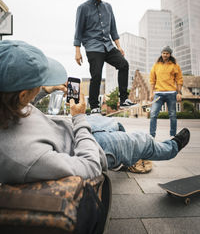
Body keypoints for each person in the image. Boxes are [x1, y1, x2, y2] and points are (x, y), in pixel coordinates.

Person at [0, 40, 190, 185]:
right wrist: (79, 118)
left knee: (113, 124)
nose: (43, 82)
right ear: (23, 94)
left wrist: (46, 90)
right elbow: (89, 167)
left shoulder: (8, 102)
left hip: (70, 130)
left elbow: (21, 103)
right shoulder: (25, 155)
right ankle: (169, 149)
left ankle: (124, 156)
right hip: (84, 147)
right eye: (39, 82)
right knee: (139, 140)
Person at [74, 0, 134, 114]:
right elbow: (78, 31)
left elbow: (113, 29)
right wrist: (77, 51)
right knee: (96, 75)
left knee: (123, 64)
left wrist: (119, 47)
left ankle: (124, 99)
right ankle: (94, 106)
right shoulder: (83, 8)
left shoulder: (108, 7)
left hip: (108, 45)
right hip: (93, 46)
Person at [149, 46, 183, 138]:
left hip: (171, 93)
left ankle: (172, 135)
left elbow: (179, 80)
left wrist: (179, 93)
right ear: (161, 54)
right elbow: (152, 80)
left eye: (167, 53)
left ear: (170, 54)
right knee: (153, 114)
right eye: (163, 53)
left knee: (172, 115)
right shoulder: (156, 65)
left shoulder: (175, 66)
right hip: (158, 93)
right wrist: (151, 93)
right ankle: (152, 136)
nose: (165, 55)